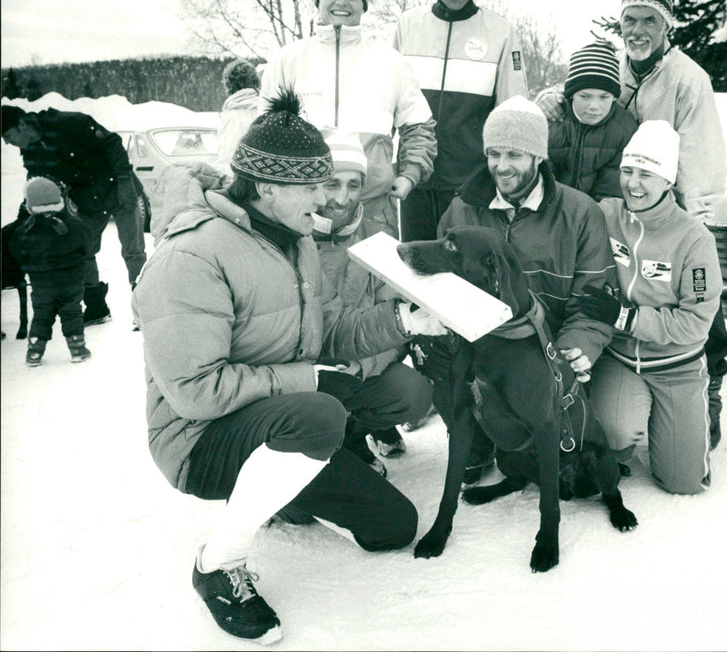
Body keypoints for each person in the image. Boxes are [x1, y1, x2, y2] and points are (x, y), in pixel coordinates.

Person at [131, 89, 446, 645]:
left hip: (280, 418)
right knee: (320, 413)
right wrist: (311, 382)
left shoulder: (295, 241)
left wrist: (404, 320)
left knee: (393, 529)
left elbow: (326, 332)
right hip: (199, 440)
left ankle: (281, 484)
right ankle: (218, 565)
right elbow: (194, 393)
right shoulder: (191, 256)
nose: (327, 199)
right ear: (268, 186)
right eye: (313, 185)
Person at [536, 0, 727, 449]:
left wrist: (693, 227)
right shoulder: (618, 69)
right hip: (619, 204)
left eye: (649, 20)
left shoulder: (688, 79)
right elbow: (584, 95)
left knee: (698, 306)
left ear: (667, 26)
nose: (637, 30)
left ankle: (708, 389)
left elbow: (702, 155)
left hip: (671, 205)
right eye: (629, 19)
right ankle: (614, 386)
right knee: (617, 290)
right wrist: (550, 100)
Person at [424, 95, 618, 483]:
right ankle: (476, 447)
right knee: (435, 352)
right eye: (494, 153)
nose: (501, 166)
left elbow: (595, 298)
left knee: (582, 443)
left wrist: (576, 348)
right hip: (484, 340)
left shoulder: (579, 213)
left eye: (514, 154)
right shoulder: (463, 209)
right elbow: (440, 280)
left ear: (537, 157)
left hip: (548, 344)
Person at [577, 120, 722, 494]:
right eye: (627, 171)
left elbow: (696, 323)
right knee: (613, 436)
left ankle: (688, 415)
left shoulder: (694, 238)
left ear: (668, 182)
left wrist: (627, 317)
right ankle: (635, 417)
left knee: (684, 482)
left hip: (677, 365)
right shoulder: (606, 214)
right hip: (621, 359)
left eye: (646, 174)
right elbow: (559, 207)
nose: (633, 183)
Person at [258, 0, 437, 238]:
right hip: (300, 216)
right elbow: (263, 135)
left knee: (372, 286)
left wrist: (409, 175)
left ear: (363, 3)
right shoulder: (287, 60)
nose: (341, 1)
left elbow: (419, 128)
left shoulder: (391, 62)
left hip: (372, 214)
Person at [393, 0, 529, 244]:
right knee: (417, 267)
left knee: (467, 275)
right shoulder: (408, 25)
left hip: (472, 182)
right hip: (416, 179)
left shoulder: (501, 32)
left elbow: (514, 112)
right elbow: (389, 99)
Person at [312, 129, 434, 469]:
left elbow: (394, 324)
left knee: (413, 393)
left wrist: (362, 366)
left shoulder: (376, 239)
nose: (342, 197)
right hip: (306, 374)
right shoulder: (295, 237)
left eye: (354, 185)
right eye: (332, 184)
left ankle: (352, 437)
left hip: (357, 364)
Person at [1, 104, 146, 327]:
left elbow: (112, 143)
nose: (7, 143)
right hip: (87, 201)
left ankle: (145, 307)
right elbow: (37, 188)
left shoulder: (67, 123)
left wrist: (125, 182)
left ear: (21, 124)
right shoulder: (32, 153)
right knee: (83, 250)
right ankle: (96, 307)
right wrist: (22, 222)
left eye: (7, 135)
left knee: (133, 250)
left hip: (117, 190)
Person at [10, 177, 91, 366]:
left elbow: (16, 251)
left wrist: (31, 265)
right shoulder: (74, 226)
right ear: (59, 200)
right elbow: (87, 245)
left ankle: (34, 352)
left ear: (30, 205)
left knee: (42, 314)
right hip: (72, 282)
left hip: (42, 283)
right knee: (72, 312)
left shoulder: (25, 231)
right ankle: (78, 348)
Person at [548, 40, 638, 201]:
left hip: (594, 213)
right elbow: (539, 177)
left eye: (604, 97)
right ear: (570, 94)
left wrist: (589, 219)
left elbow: (611, 191)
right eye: (585, 96)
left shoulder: (624, 129)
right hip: (548, 209)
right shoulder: (552, 121)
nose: (594, 106)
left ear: (614, 97)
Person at [216, 58, 261, 175]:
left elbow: (228, 158)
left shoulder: (233, 116)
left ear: (228, 84)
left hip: (242, 184)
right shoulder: (265, 109)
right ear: (256, 82)